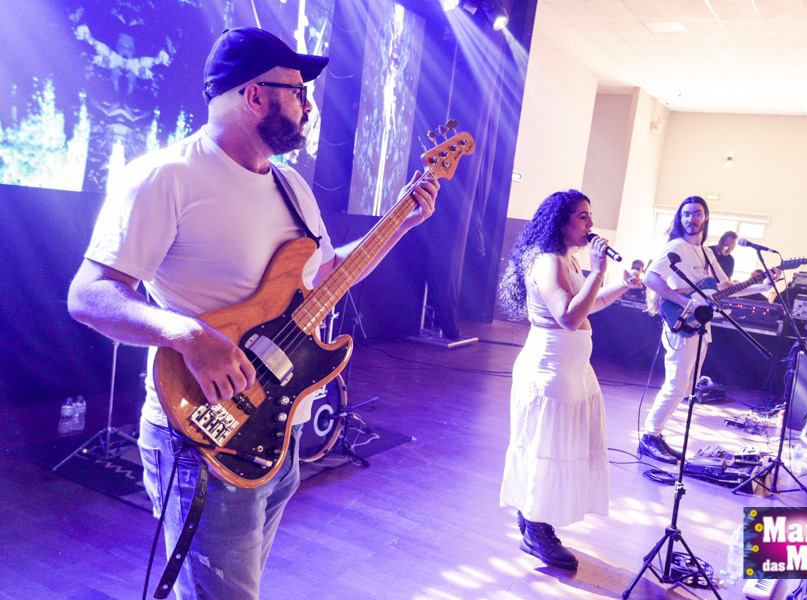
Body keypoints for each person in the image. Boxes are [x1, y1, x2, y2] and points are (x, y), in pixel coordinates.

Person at [66, 27, 439, 600]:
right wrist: (189, 335)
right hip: (204, 434)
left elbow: (326, 277)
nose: (309, 106)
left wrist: (402, 222)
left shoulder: (292, 187)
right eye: (298, 91)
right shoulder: (167, 176)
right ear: (255, 95)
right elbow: (89, 294)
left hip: (279, 427)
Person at [498, 189, 642, 570]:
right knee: (546, 449)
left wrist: (622, 284)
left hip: (571, 371)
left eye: (590, 215)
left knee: (557, 448)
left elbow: (590, 304)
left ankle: (533, 519)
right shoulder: (549, 261)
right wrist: (599, 271)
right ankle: (535, 530)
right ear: (561, 222)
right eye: (582, 216)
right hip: (549, 371)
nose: (591, 224)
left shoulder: (567, 259)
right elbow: (568, 317)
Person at [639, 198, 774, 464]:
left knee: (686, 387)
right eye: (686, 214)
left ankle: (656, 434)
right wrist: (684, 302)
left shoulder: (707, 253)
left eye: (697, 213)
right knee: (676, 386)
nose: (692, 218)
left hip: (700, 325)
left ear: (706, 217)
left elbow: (725, 288)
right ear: (680, 218)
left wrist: (762, 286)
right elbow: (650, 278)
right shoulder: (676, 246)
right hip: (681, 323)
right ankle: (649, 437)